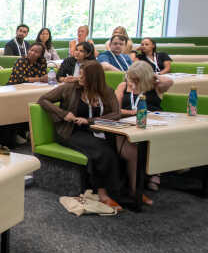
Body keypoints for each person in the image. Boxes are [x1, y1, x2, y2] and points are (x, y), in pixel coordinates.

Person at [38, 61, 123, 209]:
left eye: (84, 76)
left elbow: (116, 113)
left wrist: (89, 121)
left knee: (121, 148)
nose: (80, 78)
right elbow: (43, 100)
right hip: (71, 131)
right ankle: (103, 194)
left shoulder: (106, 91)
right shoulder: (70, 88)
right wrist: (63, 114)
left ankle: (123, 191)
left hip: (97, 130)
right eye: (80, 74)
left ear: (94, 78)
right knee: (103, 151)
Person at [115, 61, 173, 197]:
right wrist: (133, 113)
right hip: (129, 125)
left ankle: (154, 172)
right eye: (131, 77)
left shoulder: (155, 87)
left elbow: (169, 81)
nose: (133, 81)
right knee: (132, 147)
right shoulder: (123, 86)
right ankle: (135, 188)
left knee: (162, 138)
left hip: (153, 126)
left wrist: (153, 76)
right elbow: (115, 110)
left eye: (137, 78)